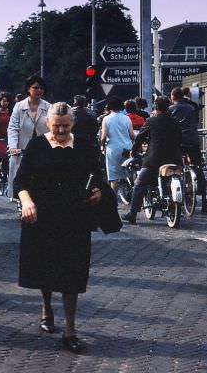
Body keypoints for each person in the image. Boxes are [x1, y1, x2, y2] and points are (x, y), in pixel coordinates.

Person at [15, 102, 103, 353]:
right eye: (56, 127)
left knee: (72, 273)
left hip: (74, 215)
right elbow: (20, 180)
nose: (61, 131)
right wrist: (27, 201)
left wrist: (97, 191)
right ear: (47, 124)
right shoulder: (37, 145)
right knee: (45, 267)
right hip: (43, 215)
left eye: (65, 126)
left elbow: (96, 174)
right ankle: (46, 306)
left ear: (72, 124)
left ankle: (70, 330)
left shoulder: (83, 145)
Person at [122, 96, 182, 224]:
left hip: (154, 159)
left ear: (156, 107)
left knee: (139, 183)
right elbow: (179, 139)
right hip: (175, 158)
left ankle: (132, 214)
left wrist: (134, 150)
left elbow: (140, 138)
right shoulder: (175, 122)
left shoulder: (151, 121)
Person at [7, 75, 51, 203]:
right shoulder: (19, 107)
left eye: (41, 88)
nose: (39, 90)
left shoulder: (49, 107)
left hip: (42, 147)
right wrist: (13, 146)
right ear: (28, 89)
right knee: (20, 173)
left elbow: (52, 127)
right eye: (35, 87)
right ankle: (19, 197)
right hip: (22, 147)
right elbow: (13, 128)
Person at [169, 87, 207, 213]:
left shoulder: (171, 109)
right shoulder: (192, 108)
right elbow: (195, 122)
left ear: (173, 97)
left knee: (174, 166)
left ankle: (176, 194)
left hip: (178, 141)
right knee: (198, 166)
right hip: (193, 139)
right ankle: (204, 200)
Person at [100, 97, 135, 195]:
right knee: (130, 172)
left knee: (114, 177)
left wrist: (102, 146)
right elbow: (132, 135)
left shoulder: (106, 119)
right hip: (127, 148)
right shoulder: (127, 118)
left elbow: (103, 137)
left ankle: (113, 201)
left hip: (113, 149)